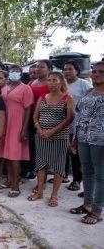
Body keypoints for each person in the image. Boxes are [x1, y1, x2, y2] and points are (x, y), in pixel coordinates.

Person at [29, 72, 74, 207]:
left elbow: (69, 118)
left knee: (58, 167)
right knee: (41, 164)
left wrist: (52, 132)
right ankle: (40, 191)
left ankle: (54, 195)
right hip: (41, 137)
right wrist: (40, 130)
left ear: (61, 82)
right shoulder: (42, 97)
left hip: (59, 137)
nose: (51, 83)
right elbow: (35, 117)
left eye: (54, 80)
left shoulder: (67, 98)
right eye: (49, 80)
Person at [70, 62, 104, 224]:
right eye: (94, 71)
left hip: (100, 142)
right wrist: (75, 139)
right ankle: (87, 205)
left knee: (101, 176)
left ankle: (97, 211)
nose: (96, 74)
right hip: (83, 138)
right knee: (87, 172)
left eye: (101, 72)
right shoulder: (89, 93)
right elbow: (80, 116)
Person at [0, 65, 33, 197]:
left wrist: (24, 130)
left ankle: (16, 186)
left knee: (15, 156)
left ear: (21, 74)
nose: (14, 73)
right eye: (12, 71)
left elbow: (28, 110)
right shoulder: (5, 88)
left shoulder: (26, 88)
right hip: (5, 123)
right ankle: (10, 179)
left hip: (17, 124)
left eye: (17, 71)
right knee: (7, 154)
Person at [63, 60, 93, 191]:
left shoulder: (84, 84)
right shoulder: (62, 84)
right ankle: (62, 175)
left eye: (70, 69)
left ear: (77, 71)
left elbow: (91, 103)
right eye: (65, 69)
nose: (67, 71)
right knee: (63, 151)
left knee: (75, 154)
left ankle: (77, 179)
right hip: (62, 124)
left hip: (77, 125)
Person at [25, 60, 52, 180]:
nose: (38, 69)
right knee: (31, 146)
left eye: (42, 67)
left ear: (49, 70)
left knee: (43, 149)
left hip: (45, 119)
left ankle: (42, 179)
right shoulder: (31, 82)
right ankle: (32, 169)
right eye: (37, 67)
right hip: (30, 118)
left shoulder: (51, 84)